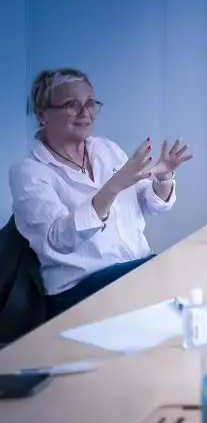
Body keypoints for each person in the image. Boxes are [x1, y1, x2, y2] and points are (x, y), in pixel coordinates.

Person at [9, 68, 194, 318]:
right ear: (42, 114)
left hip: (135, 268)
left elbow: (150, 204)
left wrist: (163, 176)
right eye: (71, 104)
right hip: (79, 288)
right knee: (178, 279)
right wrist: (112, 187)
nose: (85, 113)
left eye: (90, 103)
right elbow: (58, 240)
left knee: (187, 274)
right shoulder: (29, 171)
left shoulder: (106, 149)